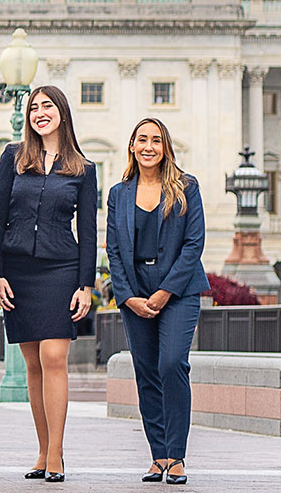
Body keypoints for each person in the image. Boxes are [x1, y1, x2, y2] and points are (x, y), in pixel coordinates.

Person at [0, 84, 97, 483]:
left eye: (47, 106)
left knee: (54, 357)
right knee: (32, 364)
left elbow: (88, 229)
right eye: (34, 107)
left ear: (62, 113)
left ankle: (57, 453)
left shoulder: (83, 168)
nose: (39, 113)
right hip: (16, 271)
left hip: (61, 269)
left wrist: (85, 284)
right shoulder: (12, 157)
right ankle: (41, 449)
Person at [106, 118, 205, 485]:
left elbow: (194, 243)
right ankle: (158, 455)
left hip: (178, 290)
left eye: (156, 140)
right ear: (132, 145)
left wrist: (165, 292)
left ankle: (177, 455)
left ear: (166, 148)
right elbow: (113, 250)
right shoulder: (118, 193)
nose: (149, 146)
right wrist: (128, 296)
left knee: (172, 363)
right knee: (146, 372)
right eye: (142, 139)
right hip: (135, 291)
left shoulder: (186, 187)